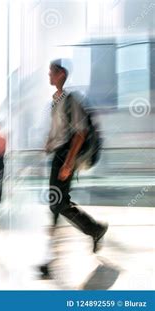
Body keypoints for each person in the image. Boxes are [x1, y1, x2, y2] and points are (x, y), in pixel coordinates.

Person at [39, 59, 108, 278]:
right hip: (58, 155)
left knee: (58, 203)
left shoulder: (71, 100)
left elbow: (80, 133)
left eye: (51, 72)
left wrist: (68, 163)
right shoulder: (55, 101)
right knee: (56, 204)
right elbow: (59, 132)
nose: (49, 76)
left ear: (61, 74)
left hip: (64, 156)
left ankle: (94, 229)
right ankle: (51, 260)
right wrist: (49, 144)